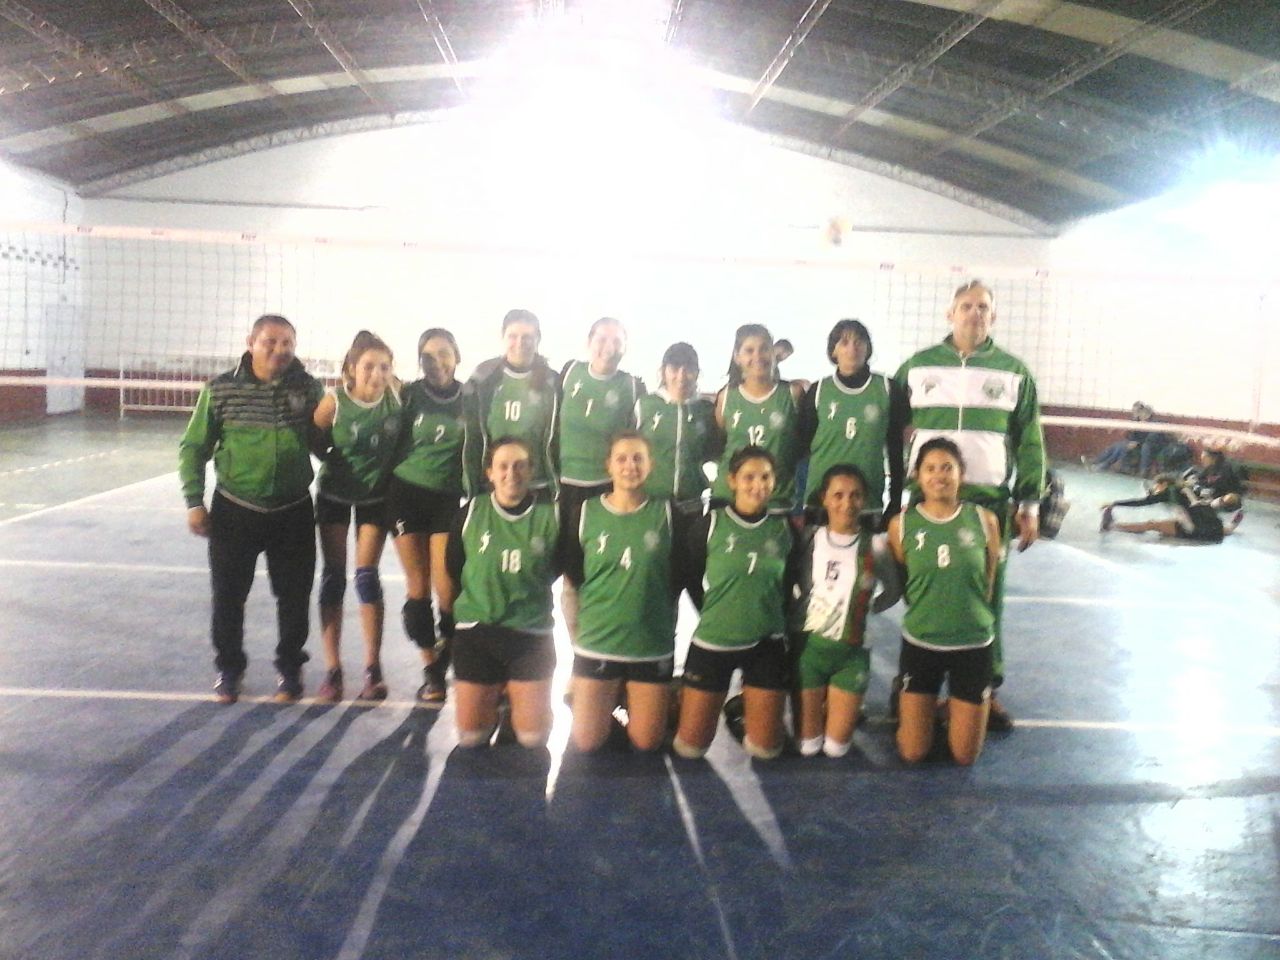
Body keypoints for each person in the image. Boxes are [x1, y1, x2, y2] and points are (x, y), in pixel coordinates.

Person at [894, 279, 1045, 730]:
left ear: (992, 316)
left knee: (987, 595)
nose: (974, 313)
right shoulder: (917, 367)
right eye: (966, 305)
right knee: (923, 586)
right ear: (950, 313)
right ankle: (915, 682)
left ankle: (984, 688)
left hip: (987, 502)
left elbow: (1030, 439)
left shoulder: (1014, 372)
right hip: (927, 501)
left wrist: (1030, 502)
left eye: (982, 307)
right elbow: (890, 431)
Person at [179, 314, 325, 703]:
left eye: (287, 343)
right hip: (235, 509)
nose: (279, 349)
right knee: (228, 596)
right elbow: (193, 447)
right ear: (251, 343)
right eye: (270, 342)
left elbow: (324, 444)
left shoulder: (309, 389)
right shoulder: (221, 389)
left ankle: (290, 668)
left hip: (293, 510)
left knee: (294, 597)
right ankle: (229, 669)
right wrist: (194, 501)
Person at [887, 438, 1002, 766]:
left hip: (973, 644)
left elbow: (988, 581)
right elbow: (905, 580)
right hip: (922, 643)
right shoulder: (901, 525)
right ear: (918, 476)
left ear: (961, 474)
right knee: (913, 752)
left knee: (965, 756)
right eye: (931, 468)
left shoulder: (985, 520)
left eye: (947, 468)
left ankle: (951, 708)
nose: (939, 475)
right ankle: (912, 705)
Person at [563, 431, 681, 752]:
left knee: (647, 742)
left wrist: (665, 632)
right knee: (587, 742)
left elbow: (677, 581)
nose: (630, 466)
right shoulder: (585, 512)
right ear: (609, 465)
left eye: (638, 458)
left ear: (650, 465)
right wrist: (577, 641)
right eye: (622, 459)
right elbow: (572, 583)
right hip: (598, 643)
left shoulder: (668, 513)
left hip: (649, 645)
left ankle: (656, 700)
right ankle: (607, 702)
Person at [674, 446, 794, 760]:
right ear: (732, 481)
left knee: (766, 750)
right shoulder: (709, 524)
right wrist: (715, 610)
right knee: (689, 749)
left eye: (765, 477)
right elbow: (690, 576)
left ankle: (741, 712)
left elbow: (789, 585)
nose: (758, 485)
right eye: (749, 477)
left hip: (765, 644)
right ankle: (676, 702)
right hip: (715, 642)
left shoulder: (783, 529)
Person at [447, 437, 561, 748]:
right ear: (490, 473)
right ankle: (498, 696)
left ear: (531, 470)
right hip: (477, 632)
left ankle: (519, 702)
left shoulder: (551, 517)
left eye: (520, 466)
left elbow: (558, 569)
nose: (512, 473)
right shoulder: (471, 513)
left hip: (530, 634)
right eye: (503, 466)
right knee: (471, 738)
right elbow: (454, 568)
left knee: (533, 738)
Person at [312, 331, 402, 702]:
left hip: (375, 498)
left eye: (384, 367)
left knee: (366, 576)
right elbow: (314, 438)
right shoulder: (334, 402)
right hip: (335, 494)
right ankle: (333, 670)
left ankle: (372, 669)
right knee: (334, 576)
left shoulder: (396, 399)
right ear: (351, 368)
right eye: (368, 366)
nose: (376, 374)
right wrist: (334, 458)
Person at [789, 464, 901, 758]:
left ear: (864, 500)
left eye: (855, 495)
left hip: (851, 656)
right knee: (808, 747)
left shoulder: (874, 546)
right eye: (838, 495)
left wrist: (866, 610)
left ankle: (839, 700)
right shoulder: (809, 539)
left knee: (836, 749)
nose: (847, 503)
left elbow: (893, 590)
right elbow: (788, 581)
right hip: (809, 653)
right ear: (824, 499)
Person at [387, 327, 467, 705]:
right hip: (405, 494)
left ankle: (446, 654)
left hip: (447, 497)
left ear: (457, 356)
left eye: (444, 354)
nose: (437, 363)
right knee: (418, 588)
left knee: (447, 588)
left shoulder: (471, 398)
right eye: (428, 357)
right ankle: (431, 670)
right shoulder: (409, 395)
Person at [557, 317, 644, 640]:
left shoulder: (632, 386)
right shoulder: (569, 373)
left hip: (608, 490)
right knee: (571, 574)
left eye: (617, 341)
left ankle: (609, 641)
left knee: (606, 569)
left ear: (625, 348)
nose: (609, 347)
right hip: (567, 488)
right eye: (602, 339)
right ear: (589, 342)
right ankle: (579, 650)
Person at [799, 319, 908, 530]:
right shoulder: (818, 391)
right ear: (833, 351)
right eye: (844, 342)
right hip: (821, 502)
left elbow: (896, 451)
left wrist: (895, 501)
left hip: (867, 501)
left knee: (864, 552)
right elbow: (801, 450)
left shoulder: (888, 389)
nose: (852, 348)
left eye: (859, 341)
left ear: (868, 348)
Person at [463, 308, 559, 498]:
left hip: (538, 484)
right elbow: (472, 436)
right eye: (513, 336)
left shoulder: (552, 382)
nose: (520, 343)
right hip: (496, 483)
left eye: (527, 337)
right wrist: (471, 485)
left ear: (538, 339)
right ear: (503, 338)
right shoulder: (484, 377)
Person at [712, 325, 805, 515]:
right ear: (737, 357)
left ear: (773, 353)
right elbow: (719, 443)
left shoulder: (792, 394)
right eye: (749, 350)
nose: (758, 356)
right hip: (729, 499)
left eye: (764, 349)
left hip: (776, 499)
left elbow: (804, 443)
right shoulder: (726, 397)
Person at [635, 342, 719, 512]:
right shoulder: (645, 405)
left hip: (693, 504)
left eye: (689, 370)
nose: (681, 376)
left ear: (697, 373)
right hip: (650, 503)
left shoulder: (706, 410)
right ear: (663, 372)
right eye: (674, 369)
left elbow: (715, 452)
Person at [1099, 473, 1243, 542]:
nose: (1155, 489)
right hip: (1213, 526)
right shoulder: (1186, 488)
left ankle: (1111, 526)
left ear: (1164, 484)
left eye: (1156, 486)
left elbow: (1141, 502)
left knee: (1151, 524)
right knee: (1215, 527)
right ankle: (1231, 527)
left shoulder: (1168, 492)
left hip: (1193, 529)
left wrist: (1115, 503)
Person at [1184, 447, 1245, 513]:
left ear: (1212, 458)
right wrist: (1197, 485)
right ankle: (1196, 502)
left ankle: (1206, 504)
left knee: (1229, 498)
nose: (1202, 461)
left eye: (1204, 458)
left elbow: (1220, 483)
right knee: (1186, 488)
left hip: (1225, 494)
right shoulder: (1208, 468)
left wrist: (1206, 486)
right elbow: (1199, 480)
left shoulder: (1225, 467)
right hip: (1210, 494)